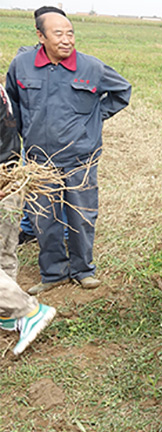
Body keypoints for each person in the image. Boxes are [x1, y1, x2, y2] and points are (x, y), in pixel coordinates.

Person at [5, 10, 131, 295]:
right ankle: (53, 273)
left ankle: (83, 270)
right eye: (58, 34)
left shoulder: (91, 67)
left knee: (82, 216)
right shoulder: (22, 66)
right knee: (44, 219)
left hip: (80, 159)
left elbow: (122, 91)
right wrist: (23, 135)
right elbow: (12, 103)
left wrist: (93, 120)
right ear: (40, 36)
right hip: (39, 161)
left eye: (70, 33)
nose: (67, 39)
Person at [0, 83, 56, 355]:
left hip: (3, 179)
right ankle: (9, 317)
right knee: (3, 252)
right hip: (10, 178)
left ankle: (28, 309)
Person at [15, 6, 70, 247]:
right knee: (32, 185)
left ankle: (65, 235)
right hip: (34, 135)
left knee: (64, 187)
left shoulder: (70, 59)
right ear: (40, 32)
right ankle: (29, 228)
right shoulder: (24, 58)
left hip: (62, 136)